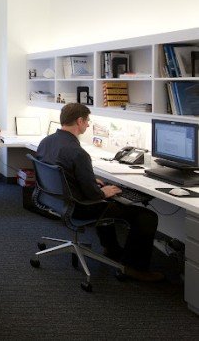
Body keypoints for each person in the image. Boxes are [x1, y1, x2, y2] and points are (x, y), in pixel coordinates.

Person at [36, 102, 163, 281]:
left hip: (55, 199)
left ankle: (112, 248)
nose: (88, 125)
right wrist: (104, 192)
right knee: (145, 216)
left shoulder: (46, 142)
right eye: (87, 121)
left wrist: (88, 180)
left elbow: (61, 171)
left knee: (110, 196)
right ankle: (134, 268)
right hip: (79, 207)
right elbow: (93, 195)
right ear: (79, 121)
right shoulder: (78, 152)